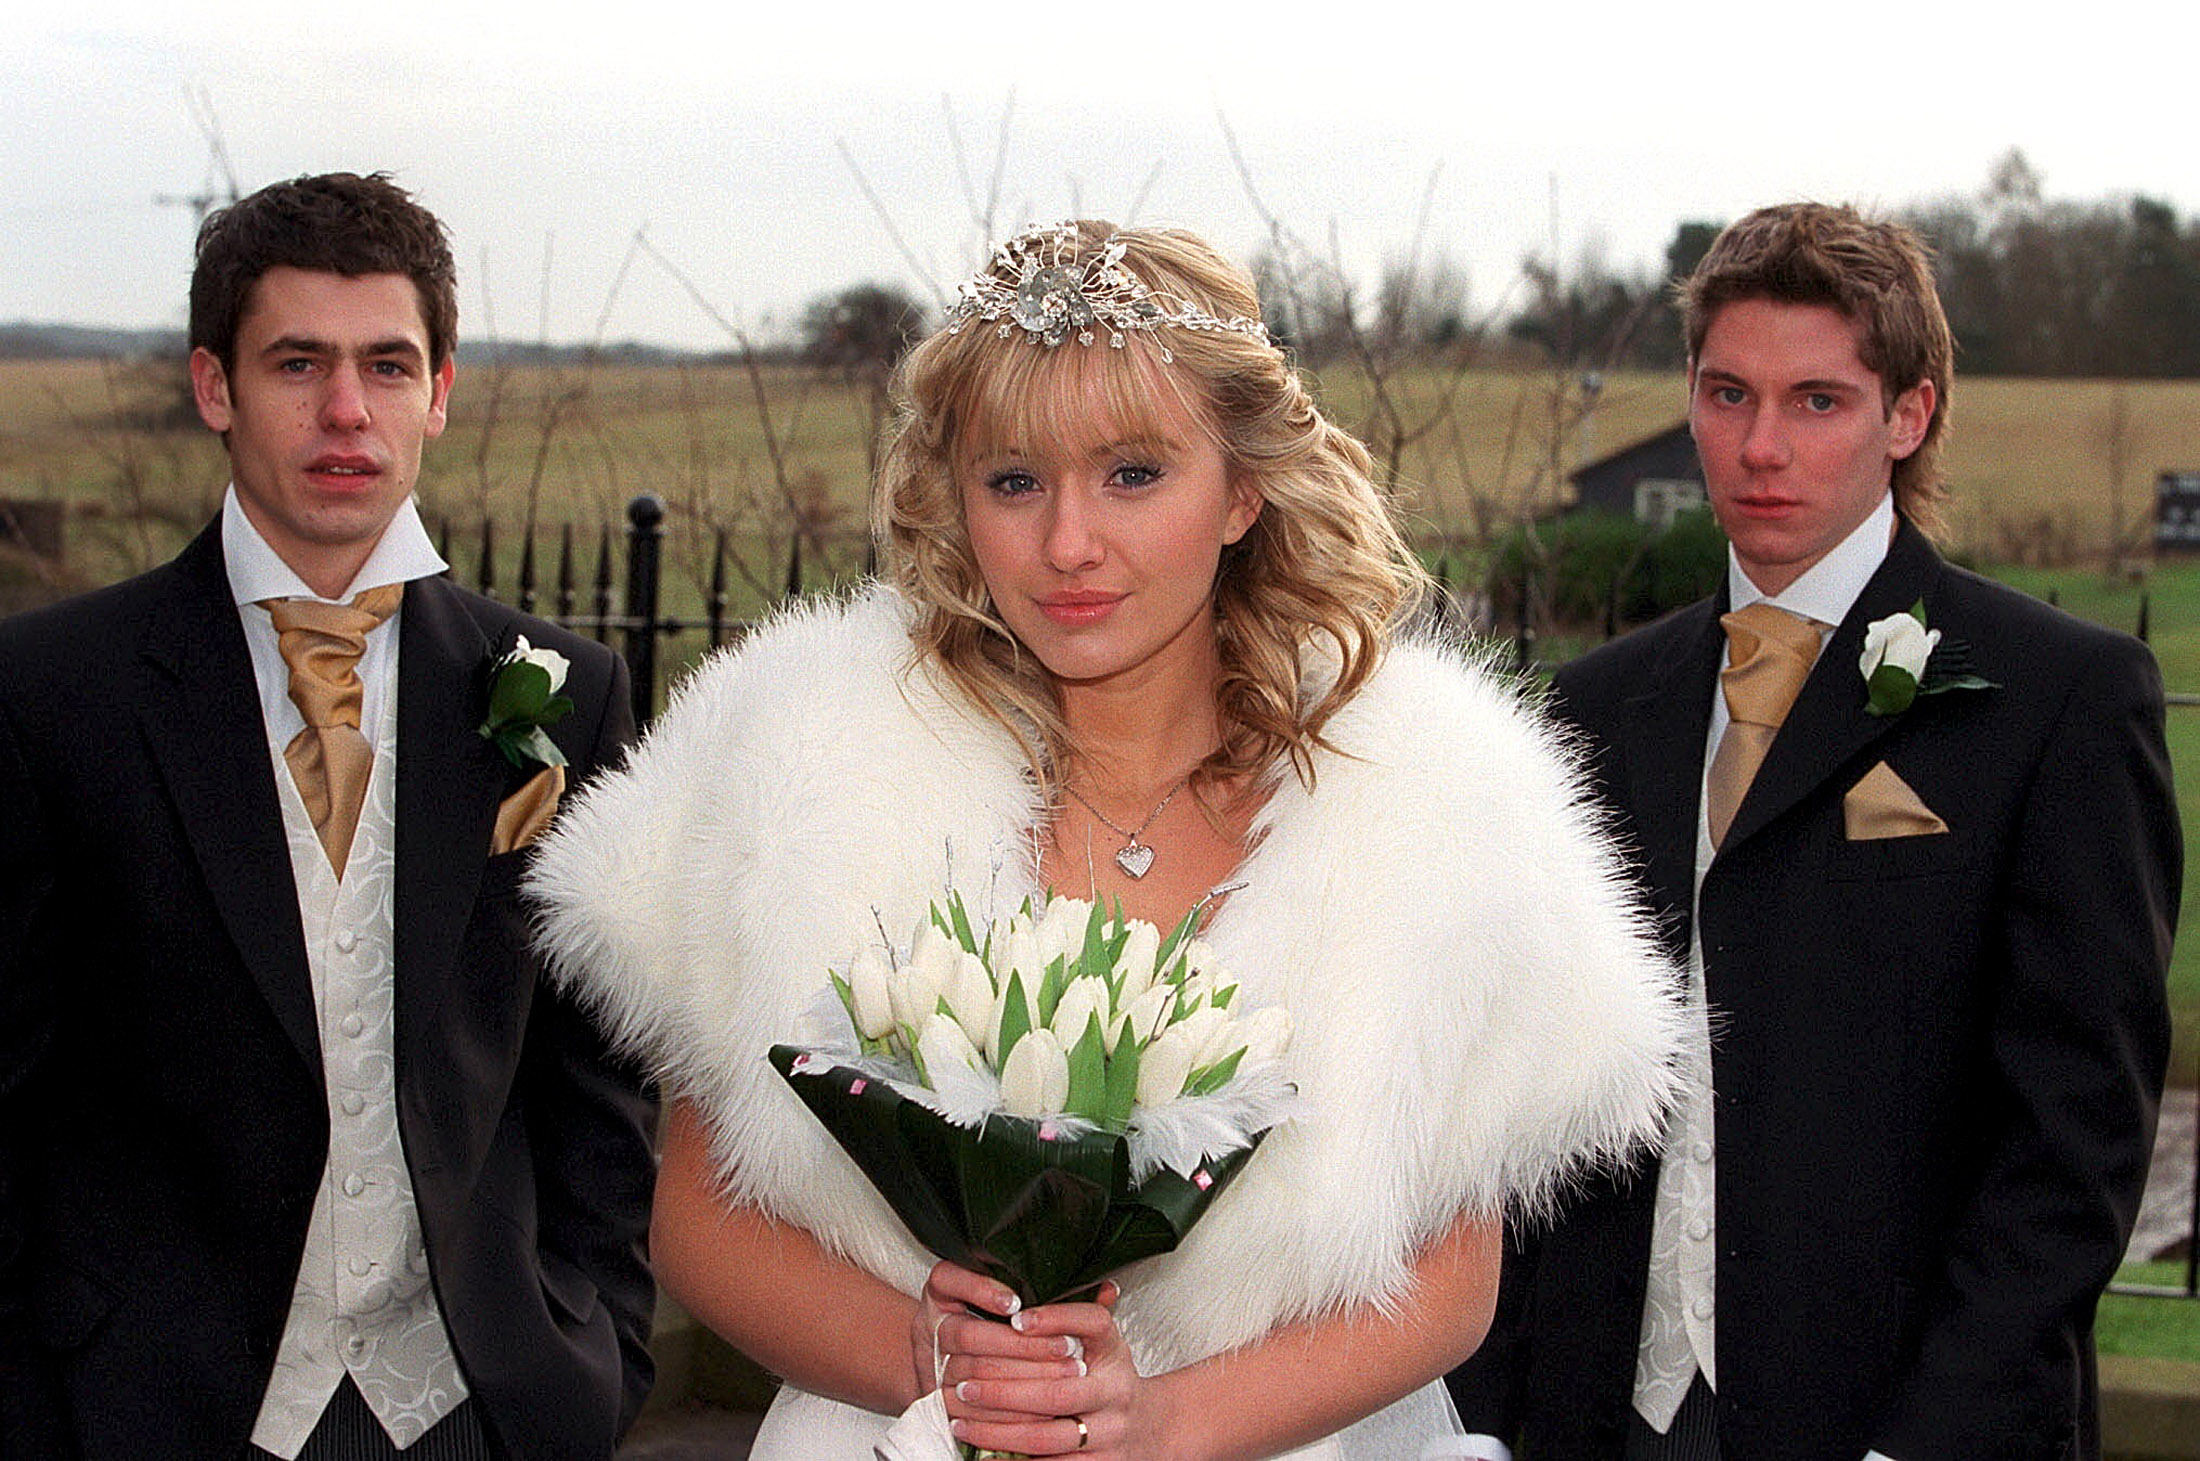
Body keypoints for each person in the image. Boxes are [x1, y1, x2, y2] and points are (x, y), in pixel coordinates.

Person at [528, 219, 1683, 1460]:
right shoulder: (801, 772)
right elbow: (705, 1217)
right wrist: (935, 1358)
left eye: (1133, 474)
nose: (1067, 543)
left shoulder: (1431, 804)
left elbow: (1451, 1283)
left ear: (1242, 489)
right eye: (1014, 481)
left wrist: (1164, 1424)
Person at [1447, 202, 2180, 1461]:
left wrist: (1931, 1438)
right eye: (1728, 395)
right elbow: (1522, 1110)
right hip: (1601, 1415)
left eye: (1817, 402)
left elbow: (2074, 1139)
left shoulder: (2057, 700)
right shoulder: (1588, 712)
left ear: (1910, 413)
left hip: (1895, 1418)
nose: (1760, 446)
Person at [0, 172, 657, 1460]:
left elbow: (600, 1084)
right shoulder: (47, 696)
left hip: (478, 1408)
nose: (347, 411)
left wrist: (599, 1346)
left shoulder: (563, 697)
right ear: (214, 388)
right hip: (144, 1413)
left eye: (388, 366)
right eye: (297, 362)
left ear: (442, 391)